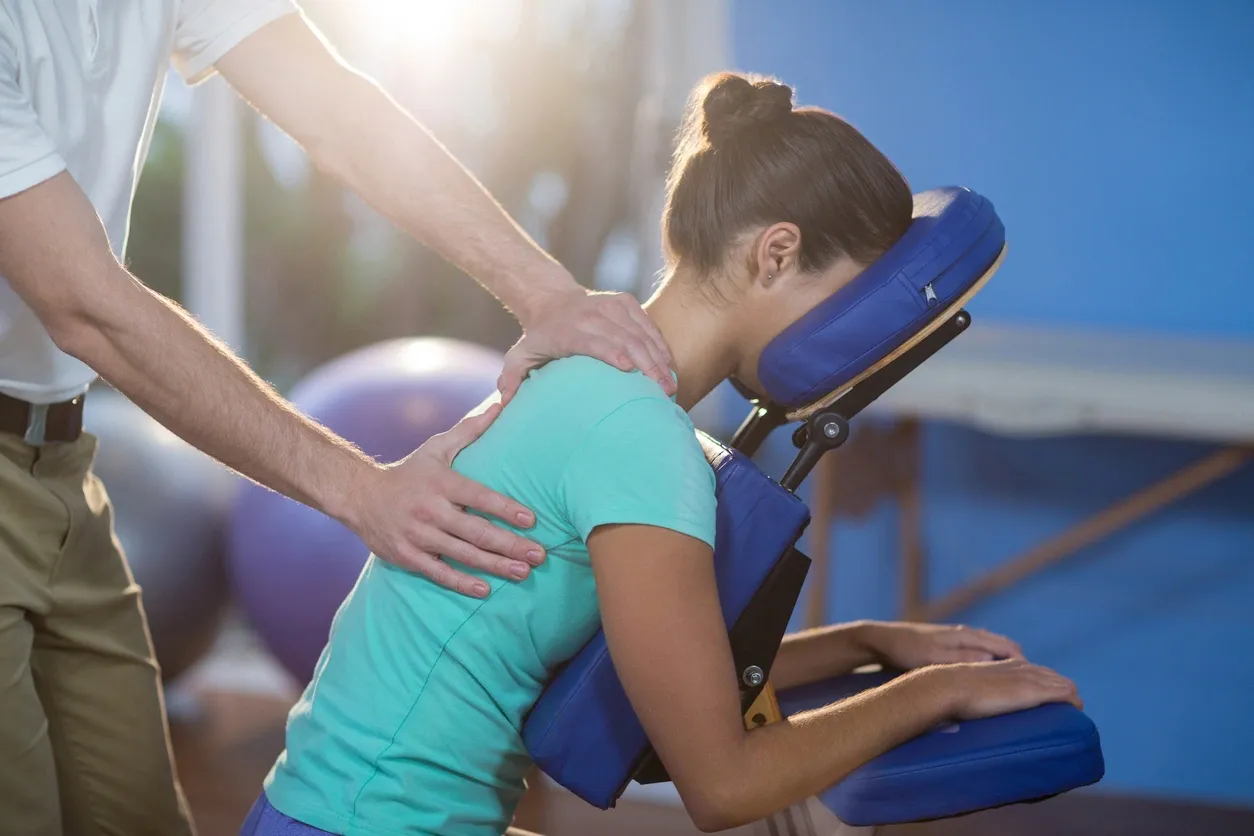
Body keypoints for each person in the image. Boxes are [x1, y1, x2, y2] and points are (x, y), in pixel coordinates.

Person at [244, 72, 1084, 836]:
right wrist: (939, 693)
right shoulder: (641, 444)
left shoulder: (588, 385)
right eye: (850, 300)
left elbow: (668, 676)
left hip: (324, 809)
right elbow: (722, 784)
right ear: (777, 252)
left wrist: (872, 643)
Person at [0, 3, 677, 835]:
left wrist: (549, 297)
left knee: (136, 812)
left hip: (61, 459)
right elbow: (86, 305)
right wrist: (363, 492)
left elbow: (341, 113)